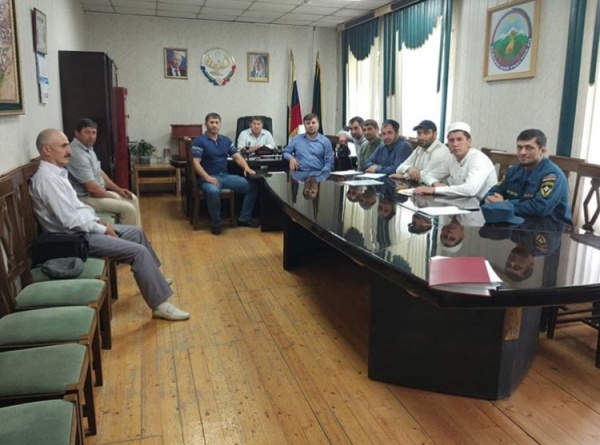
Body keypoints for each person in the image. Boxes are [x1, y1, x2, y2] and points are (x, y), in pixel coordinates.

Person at [30, 129, 189, 321]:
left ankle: (155, 278)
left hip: (82, 230)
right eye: (64, 146)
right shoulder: (47, 180)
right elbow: (70, 221)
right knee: (138, 252)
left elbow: (77, 208)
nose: (69, 151)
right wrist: (103, 228)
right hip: (73, 240)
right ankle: (160, 305)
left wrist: (97, 220)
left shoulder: (56, 175)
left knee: (136, 232)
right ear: (46, 150)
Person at [483, 129, 572, 225]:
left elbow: (540, 207)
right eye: (519, 147)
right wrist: (490, 199)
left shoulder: (552, 176)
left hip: (549, 227)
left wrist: (504, 205)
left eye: (529, 148)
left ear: (542, 151)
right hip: (517, 223)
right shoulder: (513, 171)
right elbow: (493, 192)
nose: (522, 152)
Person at [66, 118, 142, 226]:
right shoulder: (77, 154)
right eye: (87, 132)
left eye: (94, 133)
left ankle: (138, 233)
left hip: (96, 194)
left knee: (132, 198)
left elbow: (100, 172)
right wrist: (115, 199)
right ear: (77, 133)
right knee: (128, 208)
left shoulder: (87, 148)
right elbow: (93, 189)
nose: (91, 136)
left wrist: (119, 190)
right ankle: (128, 236)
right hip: (85, 198)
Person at [191, 112, 258, 235]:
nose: (214, 125)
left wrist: (246, 167)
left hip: (225, 177)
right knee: (213, 191)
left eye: (217, 122)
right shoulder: (199, 141)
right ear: (206, 124)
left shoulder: (225, 140)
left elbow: (237, 157)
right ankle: (216, 224)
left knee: (252, 186)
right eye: (211, 122)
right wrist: (207, 178)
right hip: (207, 178)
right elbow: (196, 163)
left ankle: (244, 218)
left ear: (220, 124)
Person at [414, 122, 497, 200]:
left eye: (459, 139)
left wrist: (435, 190)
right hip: (458, 202)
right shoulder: (452, 158)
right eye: (451, 140)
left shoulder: (478, 159)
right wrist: (434, 183)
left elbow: (470, 190)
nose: (455, 144)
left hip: (482, 205)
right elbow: (428, 176)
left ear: (469, 142)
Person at [283, 113, 334, 182]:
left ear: (318, 124)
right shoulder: (297, 139)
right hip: (300, 174)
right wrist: (291, 158)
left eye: (313, 123)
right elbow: (285, 152)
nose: (311, 125)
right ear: (304, 125)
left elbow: (329, 162)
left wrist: (322, 176)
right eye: (308, 123)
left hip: (318, 174)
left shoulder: (325, 141)